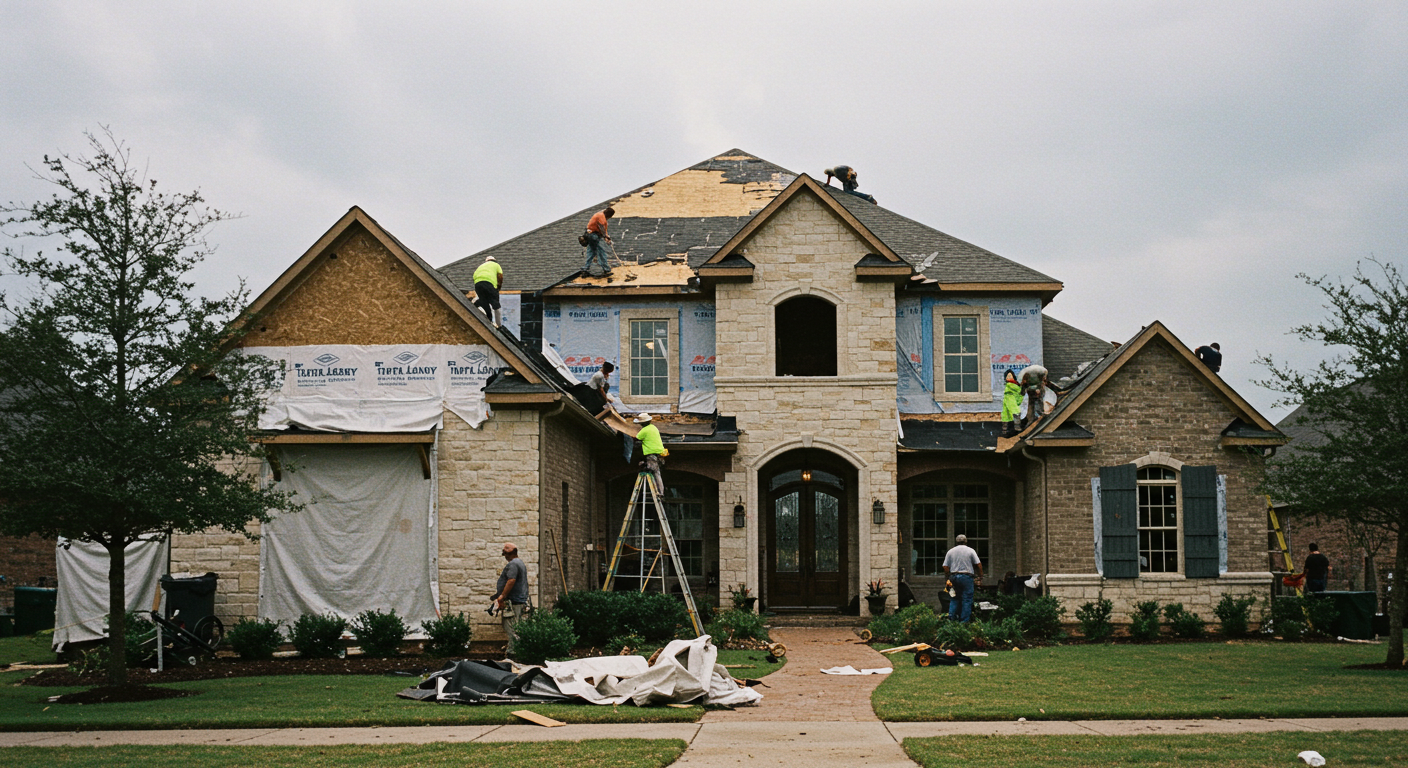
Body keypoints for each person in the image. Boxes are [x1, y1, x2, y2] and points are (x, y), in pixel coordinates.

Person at [492, 542, 530, 656]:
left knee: (510, 626)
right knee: (516, 626)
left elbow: (511, 580)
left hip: (513, 601)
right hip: (519, 600)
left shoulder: (513, 564)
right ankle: (515, 648)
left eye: (506, 554)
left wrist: (502, 596)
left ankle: (513, 653)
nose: (505, 556)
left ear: (512, 553)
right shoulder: (520, 563)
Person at [942, 534, 983, 623]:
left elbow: (945, 566)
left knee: (954, 598)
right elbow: (978, 565)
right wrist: (980, 577)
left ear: (956, 542)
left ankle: (952, 620)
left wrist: (947, 577)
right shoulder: (970, 551)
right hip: (966, 577)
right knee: (967, 599)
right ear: (966, 541)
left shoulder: (951, 551)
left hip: (953, 577)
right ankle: (964, 622)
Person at [634, 412, 666, 496]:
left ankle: (660, 492)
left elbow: (636, 438)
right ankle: (660, 491)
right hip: (660, 454)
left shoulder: (644, 430)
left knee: (655, 472)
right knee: (657, 472)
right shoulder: (654, 427)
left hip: (651, 455)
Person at [583, 206, 615, 277]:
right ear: (609, 215)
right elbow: (601, 227)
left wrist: (607, 238)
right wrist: (605, 236)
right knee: (601, 252)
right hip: (593, 236)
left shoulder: (603, 219)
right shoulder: (601, 216)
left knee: (591, 252)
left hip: (590, 235)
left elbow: (604, 231)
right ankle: (606, 270)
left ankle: (585, 269)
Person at [471, 256, 503, 326]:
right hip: (489, 283)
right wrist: (498, 288)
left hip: (478, 284)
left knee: (484, 301)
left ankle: (489, 318)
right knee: (495, 303)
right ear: (494, 260)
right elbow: (500, 277)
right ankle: (499, 324)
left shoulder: (481, 266)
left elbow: (474, 276)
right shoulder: (496, 265)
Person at [1017, 364, 1049, 430]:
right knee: (1033, 403)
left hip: (1037, 389)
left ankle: (1039, 415)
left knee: (1038, 401)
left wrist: (1038, 389)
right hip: (1033, 390)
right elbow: (1022, 392)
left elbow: (1041, 384)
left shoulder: (1037, 376)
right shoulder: (1026, 381)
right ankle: (1034, 417)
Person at [1000, 369, 1021, 437]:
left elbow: (1019, 395)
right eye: (1007, 376)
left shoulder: (1012, 385)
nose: (1009, 378)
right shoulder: (1009, 385)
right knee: (1005, 415)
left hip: (1011, 401)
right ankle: (1005, 430)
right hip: (1007, 401)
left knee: (1014, 413)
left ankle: (1016, 428)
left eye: (1010, 376)